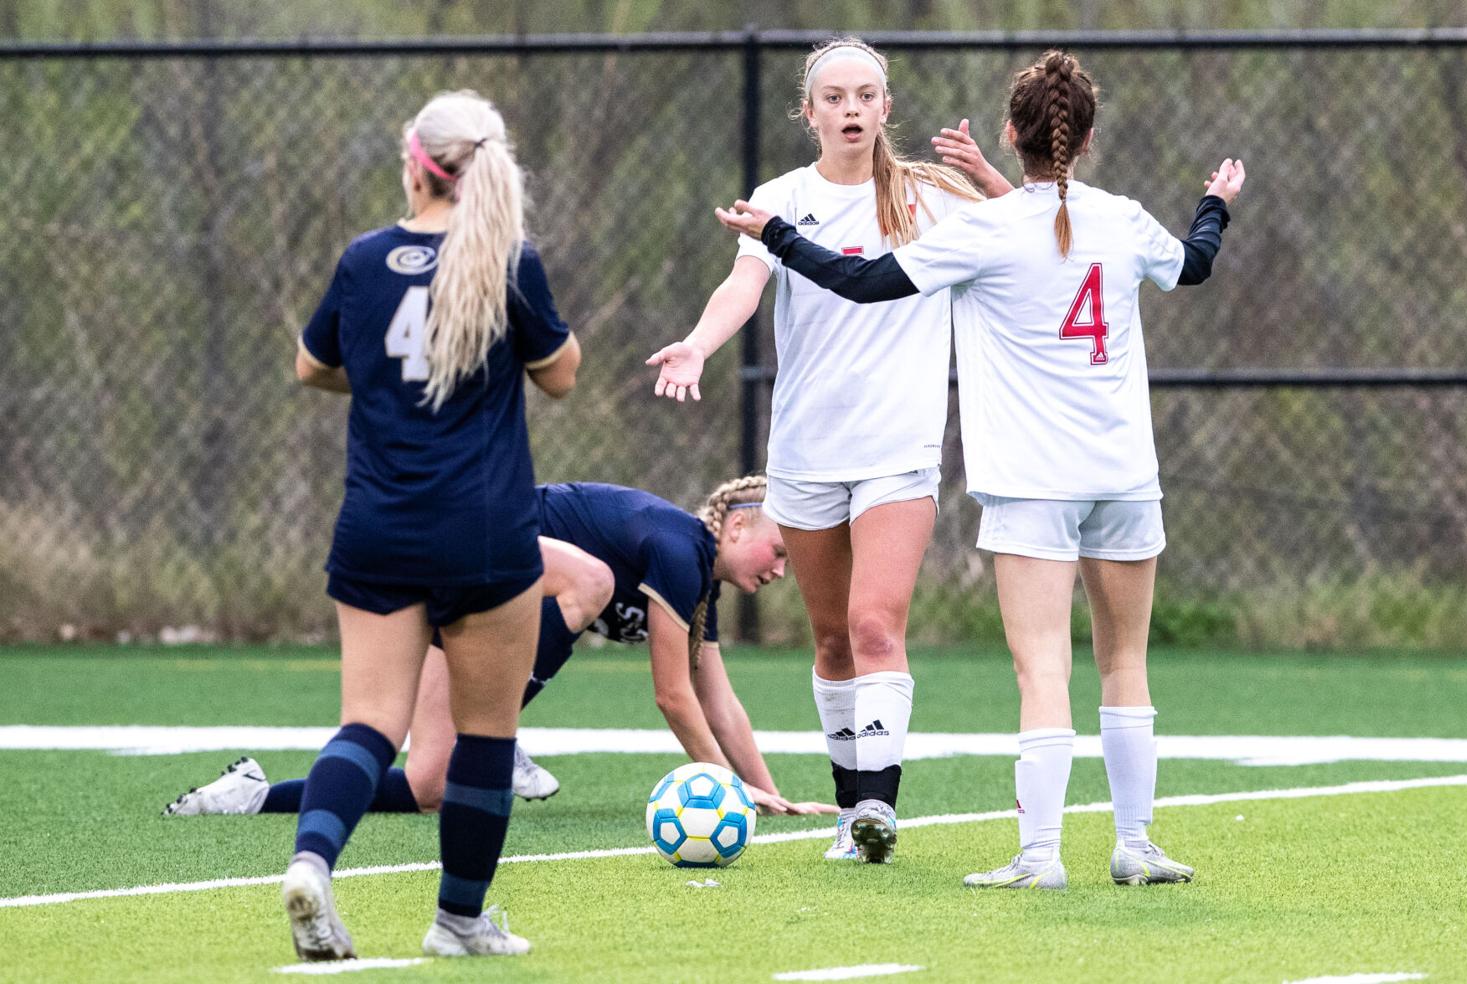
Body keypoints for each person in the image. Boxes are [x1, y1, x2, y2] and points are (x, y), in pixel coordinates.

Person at [714, 49, 1244, 890]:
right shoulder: (1117, 218)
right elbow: (1196, 261)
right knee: (1124, 666)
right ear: (1090, 136)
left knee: (1043, 669)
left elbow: (859, 280)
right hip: (1124, 475)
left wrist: (773, 233)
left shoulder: (984, 231)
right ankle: (1136, 846)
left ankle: (1039, 858)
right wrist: (1214, 203)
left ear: (1009, 133)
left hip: (1034, 480)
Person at [647, 37, 1010, 865]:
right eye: (835, 97)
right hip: (808, 449)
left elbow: (1030, 232)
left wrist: (991, 180)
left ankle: (877, 808)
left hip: (900, 448)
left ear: (887, 108)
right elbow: (744, 285)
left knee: (877, 625)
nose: (851, 109)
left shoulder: (930, 198)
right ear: (808, 114)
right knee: (833, 639)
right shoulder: (781, 198)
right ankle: (852, 817)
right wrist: (699, 346)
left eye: (866, 95)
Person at [283, 89, 580, 961]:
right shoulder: (507, 261)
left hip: (377, 526)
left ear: (415, 162)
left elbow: (313, 367)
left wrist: (381, 381)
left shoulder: (364, 259)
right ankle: (458, 922)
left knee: (369, 723)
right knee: (486, 736)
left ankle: (311, 860)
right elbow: (559, 376)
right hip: (484, 535)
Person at [165, 477, 835, 819]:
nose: (781, 570)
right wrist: (731, 792)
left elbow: (718, 700)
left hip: (470, 594)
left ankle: (253, 795)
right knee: (589, 584)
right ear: (739, 524)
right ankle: (501, 733)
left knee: (429, 784)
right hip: (478, 549)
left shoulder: (696, 589)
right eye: (779, 551)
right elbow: (672, 696)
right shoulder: (679, 549)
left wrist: (767, 792)